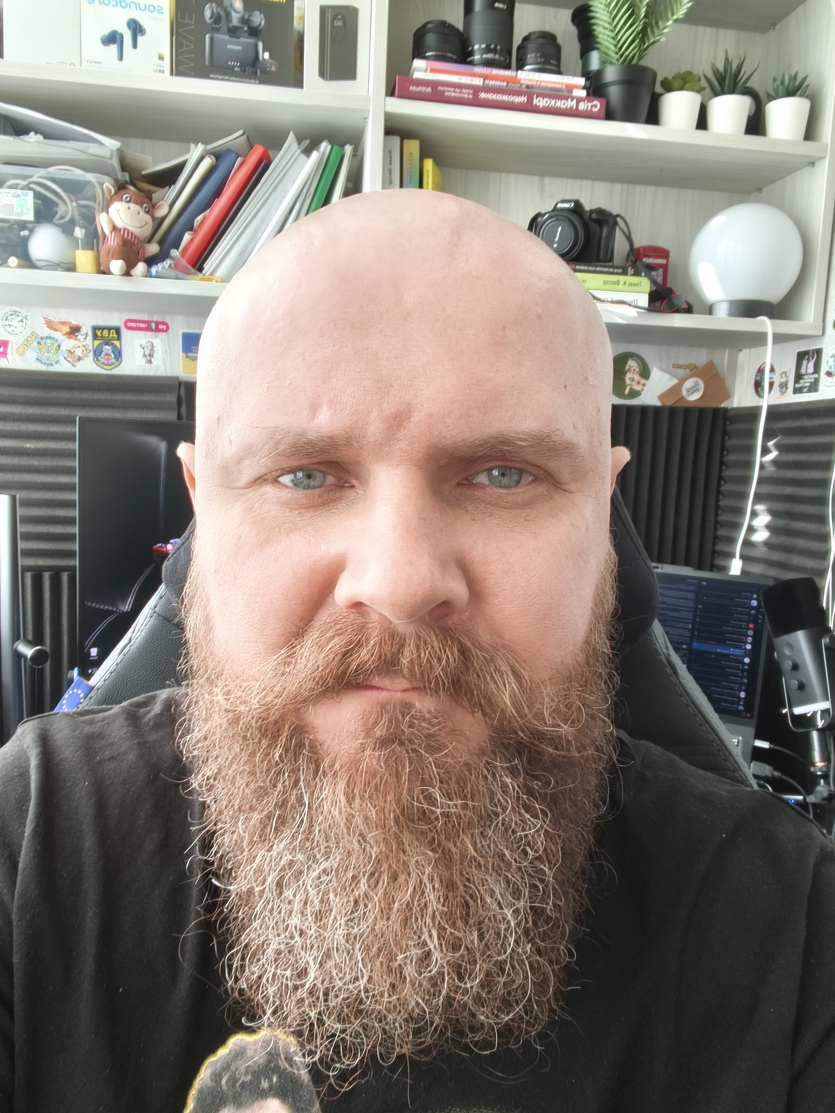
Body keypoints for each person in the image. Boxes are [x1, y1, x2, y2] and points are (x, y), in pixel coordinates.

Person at [0, 190, 833, 1113]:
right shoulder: (31, 841)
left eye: (504, 474)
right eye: (304, 475)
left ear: (603, 515)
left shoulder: (790, 923)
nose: (398, 582)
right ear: (203, 507)